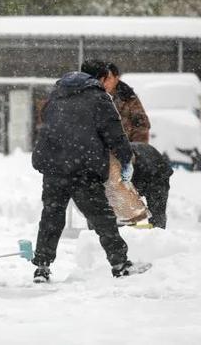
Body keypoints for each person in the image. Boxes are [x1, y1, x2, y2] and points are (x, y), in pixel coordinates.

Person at [31, 61, 150, 283]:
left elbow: (47, 120)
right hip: (82, 168)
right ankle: (120, 264)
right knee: (102, 217)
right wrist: (126, 159)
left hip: (54, 166)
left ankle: (42, 266)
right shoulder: (98, 98)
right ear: (102, 78)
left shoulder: (57, 94)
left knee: (51, 215)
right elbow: (115, 133)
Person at [102, 62, 151, 143]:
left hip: (124, 149)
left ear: (116, 78)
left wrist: (137, 149)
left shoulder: (128, 97)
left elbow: (141, 125)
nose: (105, 82)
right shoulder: (95, 96)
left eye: (109, 78)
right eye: (103, 79)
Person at [130, 142, 173, 229]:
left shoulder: (126, 162)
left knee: (157, 213)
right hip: (145, 165)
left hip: (158, 173)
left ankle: (158, 235)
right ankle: (127, 231)